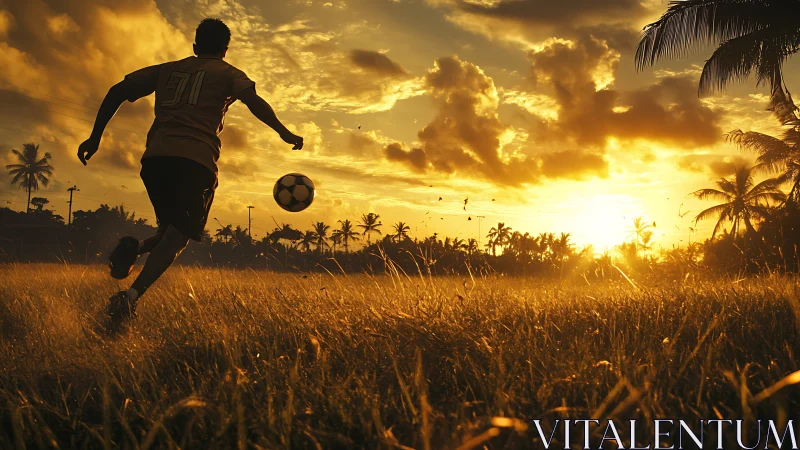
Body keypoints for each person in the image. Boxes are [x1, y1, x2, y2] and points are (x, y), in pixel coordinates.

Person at [77, 18, 303, 326]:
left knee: (172, 230)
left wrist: (95, 136)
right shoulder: (229, 73)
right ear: (225, 49)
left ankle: (138, 247)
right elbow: (253, 101)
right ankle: (129, 298)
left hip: (155, 160)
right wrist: (284, 132)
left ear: (195, 46)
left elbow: (118, 90)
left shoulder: (167, 70)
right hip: (195, 160)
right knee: (179, 237)